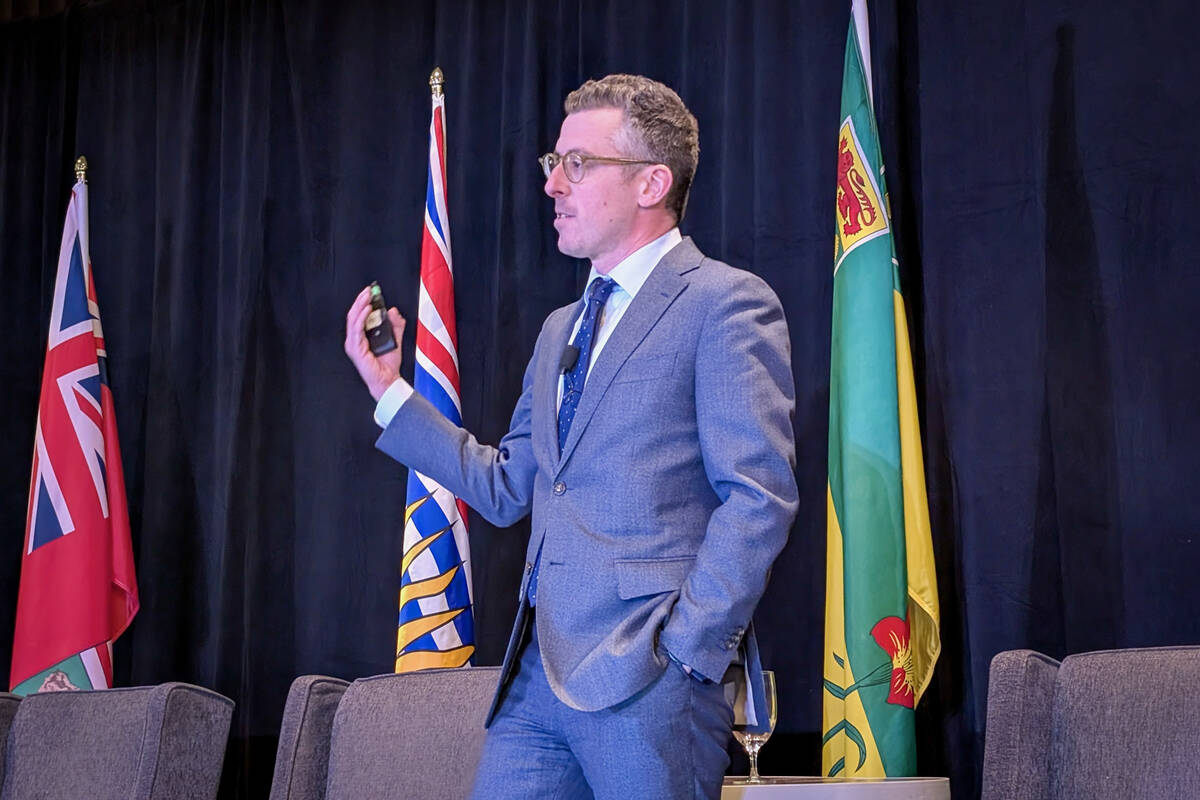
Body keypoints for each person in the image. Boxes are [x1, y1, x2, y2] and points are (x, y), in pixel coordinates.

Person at [344, 73, 798, 799]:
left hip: (651, 680)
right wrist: (389, 391)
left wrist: (688, 650)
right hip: (535, 683)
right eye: (553, 164)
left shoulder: (725, 302)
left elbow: (758, 497)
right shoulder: (561, 328)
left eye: (577, 164)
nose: (554, 184)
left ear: (652, 182)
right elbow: (506, 487)